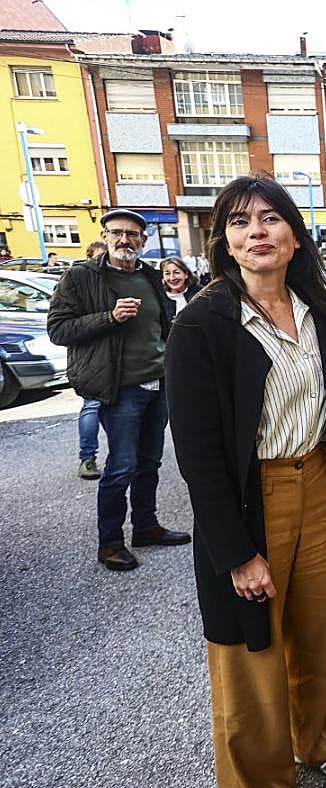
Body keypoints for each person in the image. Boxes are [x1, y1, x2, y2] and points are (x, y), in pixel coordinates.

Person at [166, 175, 326, 788]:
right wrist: (235, 551)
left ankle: (310, 741)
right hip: (250, 498)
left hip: (314, 481)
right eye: (238, 222)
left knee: (313, 632)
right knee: (250, 649)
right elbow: (197, 453)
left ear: (294, 232)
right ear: (223, 240)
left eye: (269, 218)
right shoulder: (204, 323)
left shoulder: (315, 305)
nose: (255, 232)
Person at [47, 209, 191, 571]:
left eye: (132, 234)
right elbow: (59, 330)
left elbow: (162, 326)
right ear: (105, 236)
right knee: (121, 466)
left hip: (158, 384)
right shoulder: (81, 277)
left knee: (150, 463)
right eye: (117, 233)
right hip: (120, 388)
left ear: (144, 240)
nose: (125, 240)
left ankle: (146, 526)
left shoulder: (149, 275)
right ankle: (110, 542)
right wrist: (109, 317)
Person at [75, 241, 111, 479]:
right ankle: (87, 457)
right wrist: (107, 318)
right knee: (92, 406)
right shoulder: (77, 281)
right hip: (92, 362)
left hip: (118, 362)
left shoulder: (116, 280)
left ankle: (121, 453)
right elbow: (61, 328)